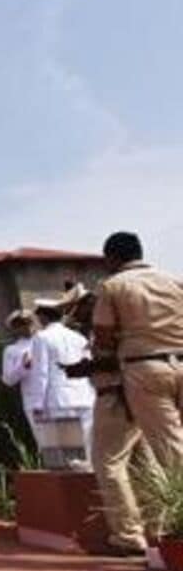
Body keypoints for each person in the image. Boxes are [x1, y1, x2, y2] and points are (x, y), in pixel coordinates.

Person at [92, 232, 183, 544]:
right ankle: (162, 527)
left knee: (170, 450)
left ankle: (135, 534)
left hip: (144, 368)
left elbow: (103, 337)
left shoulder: (113, 285)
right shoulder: (174, 280)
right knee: (162, 449)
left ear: (111, 259)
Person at [61, 284, 160, 555]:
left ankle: (128, 536)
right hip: (137, 397)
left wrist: (84, 368)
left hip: (116, 398)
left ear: (88, 305)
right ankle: (160, 527)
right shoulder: (127, 322)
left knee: (108, 463)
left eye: (77, 312)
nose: (78, 319)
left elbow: (117, 360)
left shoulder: (107, 327)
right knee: (145, 465)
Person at [30, 300, 96, 469]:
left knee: (65, 450)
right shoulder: (78, 337)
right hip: (84, 395)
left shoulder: (42, 337)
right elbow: (89, 367)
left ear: (43, 317)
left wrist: (37, 403)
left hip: (59, 398)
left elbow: (41, 373)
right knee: (88, 444)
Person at [1, 310, 49, 447]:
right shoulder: (12, 350)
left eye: (29, 322)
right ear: (15, 329)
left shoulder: (47, 342)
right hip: (34, 401)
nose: (27, 327)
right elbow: (7, 379)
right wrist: (23, 366)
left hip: (56, 396)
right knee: (44, 441)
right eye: (21, 324)